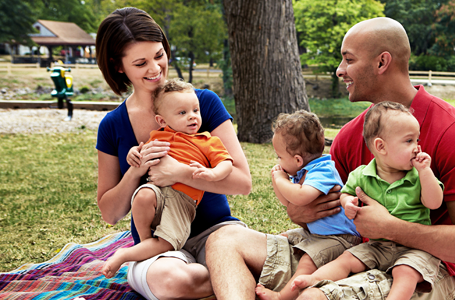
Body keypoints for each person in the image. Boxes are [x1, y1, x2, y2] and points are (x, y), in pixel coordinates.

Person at [205, 17, 455, 300]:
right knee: (223, 240)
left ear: (382, 63)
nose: (340, 70)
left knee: (313, 298)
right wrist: (300, 212)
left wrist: (392, 228)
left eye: (348, 60)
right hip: (350, 253)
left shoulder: (453, 132)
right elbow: (327, 211)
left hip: (419, 269)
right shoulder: (349, 136)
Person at [95, 7, 251, 300]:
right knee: (172, 281)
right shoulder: (113, 125)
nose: (155, 69)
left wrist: (180, 173)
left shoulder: (201, 103)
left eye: (159, 55)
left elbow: (242, 183)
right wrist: (137, 170)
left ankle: (229, 272)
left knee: (247, 258)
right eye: (140, 63)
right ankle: (233, 277)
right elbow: (110, 212)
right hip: (158, 249)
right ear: (119, 67)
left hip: (216, 233)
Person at [292, 102, 443, 300]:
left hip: (414, 248)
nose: (417, 148)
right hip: (377, 246)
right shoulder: (362, 175)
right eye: (409, 141)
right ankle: (315, 278)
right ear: (381, 146)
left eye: (417, 140)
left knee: (406, 272)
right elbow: (344, 194)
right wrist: (348, 204)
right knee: (347, 259)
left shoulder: (418, 176)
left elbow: (434, 203)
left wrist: (425, 172)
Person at [101, 79, 234, 278]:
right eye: (183, 113)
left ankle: (126, 254)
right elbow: (140, 153)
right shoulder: (158, 136)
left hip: (182, 200)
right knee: (143, 195)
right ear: (162, 121)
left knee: (166, 243)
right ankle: (145, 241)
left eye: (196, 111)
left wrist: (212, 174)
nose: (192, 117)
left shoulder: (206, 141)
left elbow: (226, 163)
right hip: (157, 191)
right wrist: (133, 155)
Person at [255, 110, 361, 300]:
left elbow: (301, 197)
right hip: (317, 233)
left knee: (308, 260)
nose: (278, 161)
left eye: (279, 157)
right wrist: (277, 180)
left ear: (297, 159)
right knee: (281, 238)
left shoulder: (323, 170)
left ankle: (282, 297)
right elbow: (288, 203)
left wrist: (281, 180)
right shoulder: (303, 170)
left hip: (341, 238)